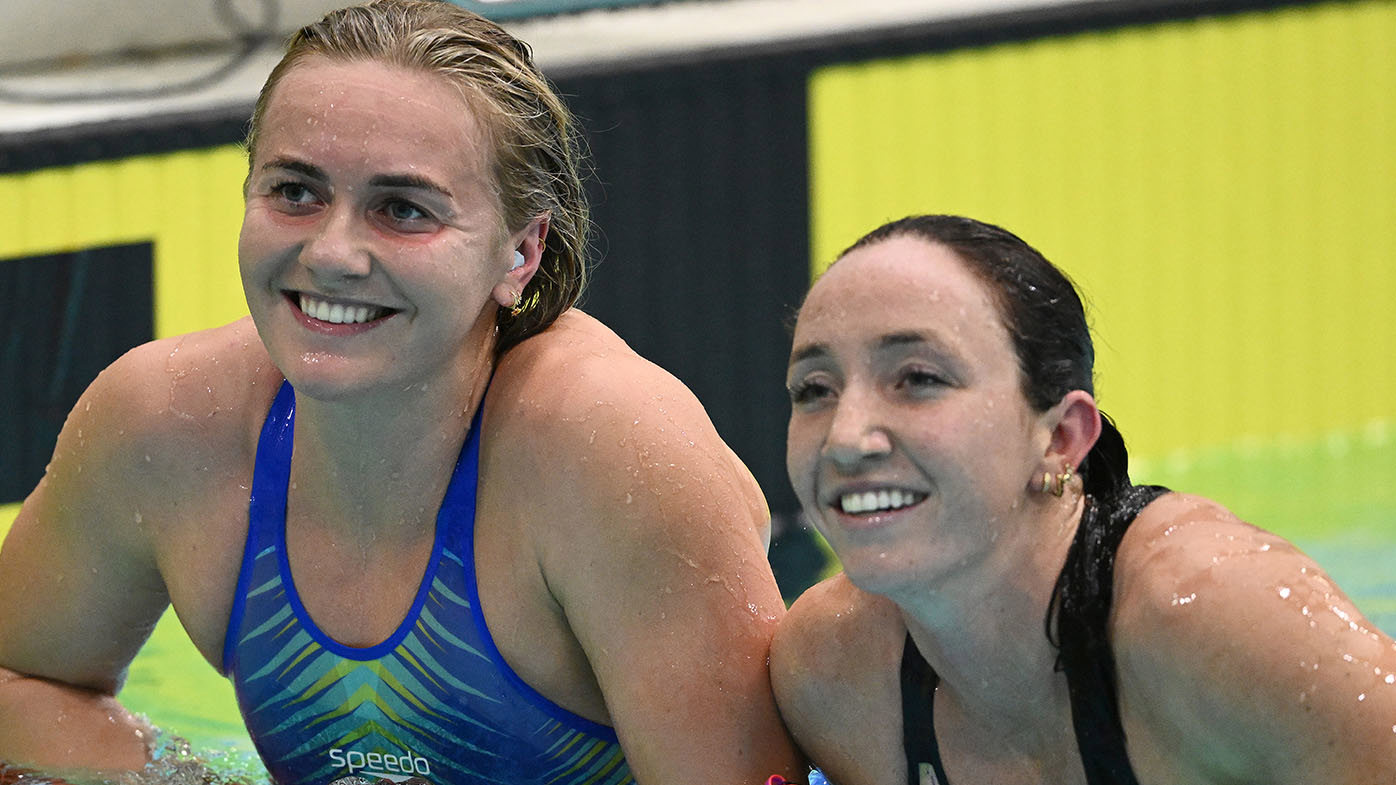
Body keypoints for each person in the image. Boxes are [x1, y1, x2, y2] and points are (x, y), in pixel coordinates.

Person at [0, 2, 803, 783]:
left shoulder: (613, 454)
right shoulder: (165, 422)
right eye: (294, 191)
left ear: (520, 253)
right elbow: (18, 681)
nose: (333, 253)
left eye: (402, 209)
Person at [770, 214, 1396, 785]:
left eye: (919, 379)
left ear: (1061, 438)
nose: (845, 440)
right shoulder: (835, 678)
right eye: (814, 389)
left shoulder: (1218, 621)